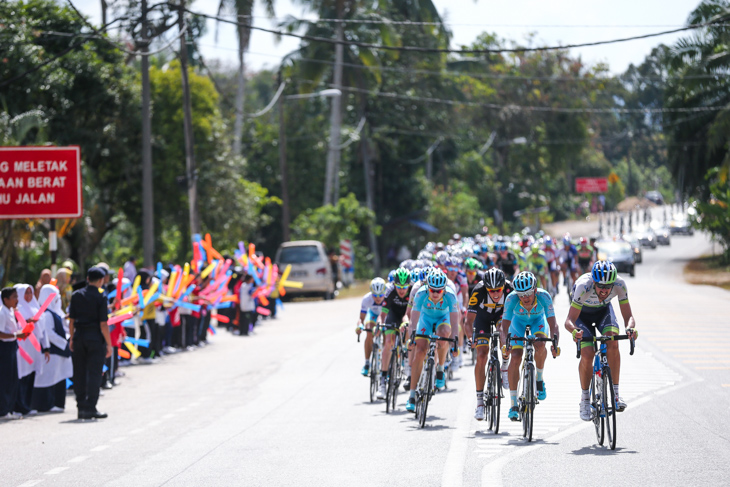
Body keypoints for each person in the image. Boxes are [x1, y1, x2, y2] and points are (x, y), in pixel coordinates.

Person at [563, 261, 637, 420]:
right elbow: (569, 320)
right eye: (600, 287)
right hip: (582, 316)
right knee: (588, 354)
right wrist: (574, 331)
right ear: (594, 282)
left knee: (613, 342)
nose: (604, 291)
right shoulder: (584, 286)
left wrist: (630, 328)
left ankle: (616, 395)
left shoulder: (620, 284)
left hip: (604, 312)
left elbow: (628, 316)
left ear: (613, 284)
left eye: (607, 287)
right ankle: (584, 399)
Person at [500, 271, 559, 421]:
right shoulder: (511, 298)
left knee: (540, 344)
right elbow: (504, 327)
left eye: (528, 293)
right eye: (521, 294)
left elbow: (553, 324)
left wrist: (554, 343)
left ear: (535, 290)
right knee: (516, 356)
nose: (525, 298)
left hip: (537, 321)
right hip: (517, 323)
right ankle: (513, 404)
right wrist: (504, 345)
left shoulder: (544, 296)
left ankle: (539, 378)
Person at [406, 270, 459, 412]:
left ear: (444, 289)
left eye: (439, 291)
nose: (435, 293)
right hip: (426, 320)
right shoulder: (420, 294)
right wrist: (411, 337)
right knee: (421, 350)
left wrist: (455, 343)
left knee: (443, 335)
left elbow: (455, 325)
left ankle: (440, 368)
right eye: (432, 290)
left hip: (443, 319)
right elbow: (413, 321)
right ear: (427, 287)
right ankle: (411, 395)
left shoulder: (450, 296)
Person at [464, 268, 512, 420]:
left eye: (498, 290)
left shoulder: (510, 289)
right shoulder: (478, 291)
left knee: (504, 334)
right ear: (486, 288)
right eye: (491, 291)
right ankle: (479, 403)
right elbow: (468, 321)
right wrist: (470, 337)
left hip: (500, 316)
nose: (496, 294)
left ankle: (504, 366)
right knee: (482, 354)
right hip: (482, 319)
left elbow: (516, 315)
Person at [68, 267, 112, 420]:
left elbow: (71, 321)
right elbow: (103, 324)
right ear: (101, 280)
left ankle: (81, 408)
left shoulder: (76, 295)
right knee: (94, 373)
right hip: (95, 337)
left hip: (79, 336)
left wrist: (72, 338)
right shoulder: (101, 296)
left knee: (79, 372)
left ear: (87, 279)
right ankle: (91, 407)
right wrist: (109, 344)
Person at [32, 284, 72, 413]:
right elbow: (49, 333)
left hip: (58, 352)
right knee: (48, 379)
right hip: (52, 352)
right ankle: (46, 404)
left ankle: (57, 403)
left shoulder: (53, 313)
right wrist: (63, 342)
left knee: (58, 377)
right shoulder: (47, 314)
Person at [376, 268, 411, 399]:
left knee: (408, 328)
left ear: (409, 285)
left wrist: (406, 323)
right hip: (393, 315)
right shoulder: (389, 291)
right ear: (394, 284)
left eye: (404, 287)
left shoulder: (412, 292)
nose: (401, 290)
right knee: (388, 342)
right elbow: (383, 314)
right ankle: (383, 382)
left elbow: (410, 315)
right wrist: (380, 324)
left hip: (406, 316)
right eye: (398, 286)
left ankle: (407, 362)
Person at [14, 284, 48, 416]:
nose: (28, 296)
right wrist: (26, 322)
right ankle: (20, 406)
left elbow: (43, 330)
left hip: (34, 348)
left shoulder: (36, 308)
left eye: (30, 293)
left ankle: (27, 404)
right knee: (21, 377)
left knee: (30, 377)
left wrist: (46, 347)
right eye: (26, 293)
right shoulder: (17, 309)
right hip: (22, 349)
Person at [0, 287, 29, 420]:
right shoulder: (2, 312)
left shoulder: (11, 311)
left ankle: (9, 409)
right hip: (4, 348)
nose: (17, 300)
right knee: (5, 379)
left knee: (12, 379)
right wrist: (16, 335)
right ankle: (3, 410)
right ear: (5, 299)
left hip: (11, 346)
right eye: (14, 297)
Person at [355, 277, 387, 377]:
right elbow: (361, 318)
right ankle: (367, 363)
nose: (378, 298)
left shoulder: (388, 298)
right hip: (372, 315)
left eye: (381, 295)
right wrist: (359, 326)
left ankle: (388, 364)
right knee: (369, 332)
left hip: (384, 315)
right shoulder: (366, 299)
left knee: (387, 335)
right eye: (375, 295)